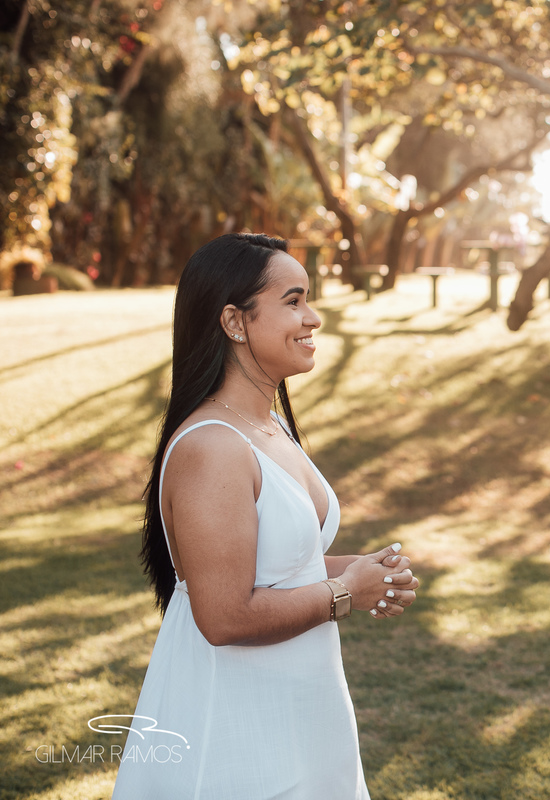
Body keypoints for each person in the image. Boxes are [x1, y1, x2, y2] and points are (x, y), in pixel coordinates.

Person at [113, 233, 419, 799]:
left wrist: (362, 571)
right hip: (238, 720)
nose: (315, 317)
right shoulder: (212, 447)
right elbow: (224, 614)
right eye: (294, 300)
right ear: (234, 321)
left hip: (304, 708)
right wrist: (344, 592)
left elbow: (273, 560)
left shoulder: (267, 424)